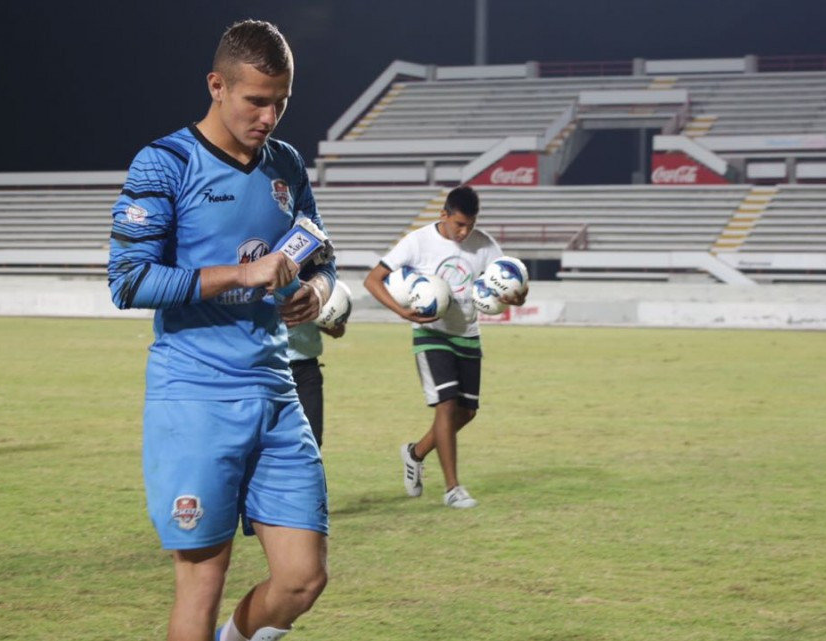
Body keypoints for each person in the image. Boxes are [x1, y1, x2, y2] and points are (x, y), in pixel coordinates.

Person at [107, 20, 334, 641]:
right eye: (255, 100)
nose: (269, 116)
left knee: (303, 579)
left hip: (276, 391)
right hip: (196, 396)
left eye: (281, 102)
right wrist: (241, 272)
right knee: (204, 582)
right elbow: (127, 280)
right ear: (216, 85)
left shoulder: (285, 163)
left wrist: (317, 290)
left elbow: (319, 250)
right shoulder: (166, 162)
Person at [364, 185, 527, 509]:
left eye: (470, 224)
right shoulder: (418, 241)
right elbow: (373, 279)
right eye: (459, 224)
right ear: (444, 215)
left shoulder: (484, 245)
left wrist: (517, 296)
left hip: (467, 333)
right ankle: (453, 489)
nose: (465, 232)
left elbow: (510, 283)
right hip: (431, 334)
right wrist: (401, 311)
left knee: (467, 412)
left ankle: (415, 453)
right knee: (447, 406)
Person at [287, 320, 345, 449]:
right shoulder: (259, 300)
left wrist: (317, 314)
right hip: (267, 370)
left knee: (312, 439)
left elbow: (337, 331)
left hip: (306, 371)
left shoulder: (314, 300)